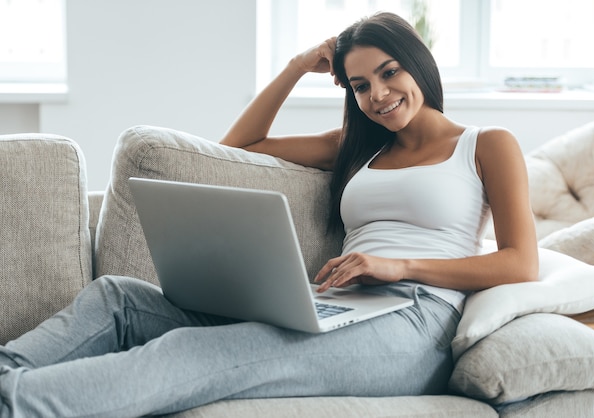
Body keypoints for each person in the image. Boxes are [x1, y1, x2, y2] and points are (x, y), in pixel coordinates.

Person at [0, 12, 538, 418]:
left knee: (192, 352)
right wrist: (297, 66)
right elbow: (238, 149)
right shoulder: (356, 147)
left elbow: (521, 263)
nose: (378, 95)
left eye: (388, 72)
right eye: (359, 85)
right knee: (118, 298)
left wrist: (398, 266)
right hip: (330, 305)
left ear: (417, 60)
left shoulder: (487, 144)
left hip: (415, 322)